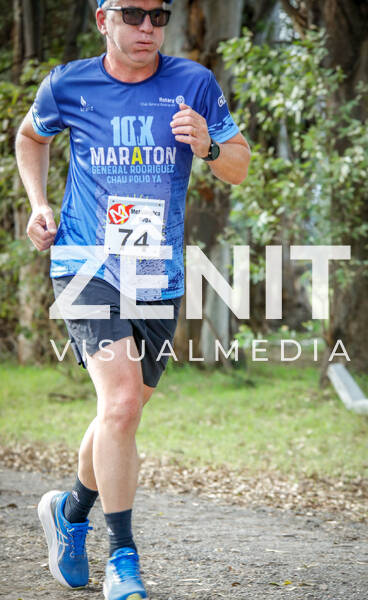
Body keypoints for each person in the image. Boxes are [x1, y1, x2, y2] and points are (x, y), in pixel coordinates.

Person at [15, 0, 251, 598]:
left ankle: (69, 514)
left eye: (158, 16)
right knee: (120, 403)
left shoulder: (193, 83)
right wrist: (39, 204)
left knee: (121, 414)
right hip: (85, 265)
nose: (148, 27)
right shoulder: (68, 84)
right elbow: (30, 136)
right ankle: (123, 558)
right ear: (104, 20)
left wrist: (208, 146)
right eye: (133, 15)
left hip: (154, 273)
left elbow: (240, 166)